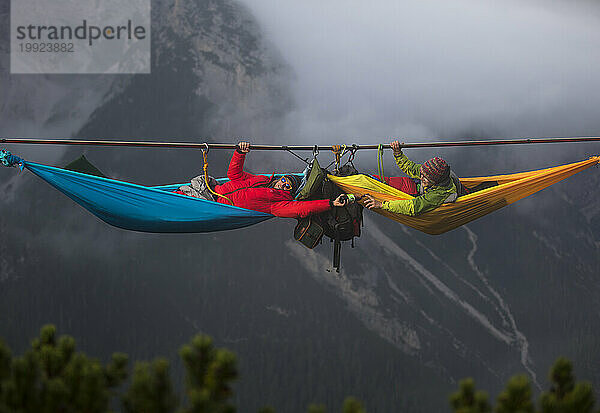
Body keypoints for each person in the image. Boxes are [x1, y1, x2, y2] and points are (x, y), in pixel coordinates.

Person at [176, 141, 349, 218]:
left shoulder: (278, 204)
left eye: (288, 186)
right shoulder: (260, 180)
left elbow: (301, 209)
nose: (284, 184)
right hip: (211, 190)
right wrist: (240, 153)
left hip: (213, 206)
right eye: (285, 181)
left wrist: (330, 203)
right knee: (180, 193)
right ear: (279, 179)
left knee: (177, 203)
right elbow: (234, 175)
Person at [364, 140, 467, 216]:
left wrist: (382, 205)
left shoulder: (440, 194)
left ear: (436, 182)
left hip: (418, 198)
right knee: (375, 180)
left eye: (426, 178)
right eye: (422, 174)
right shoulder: (428, 171)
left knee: (384, 189)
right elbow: (410, 167)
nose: (422, 177)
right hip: (419, 188)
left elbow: (413, 207)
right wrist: (397, 153)